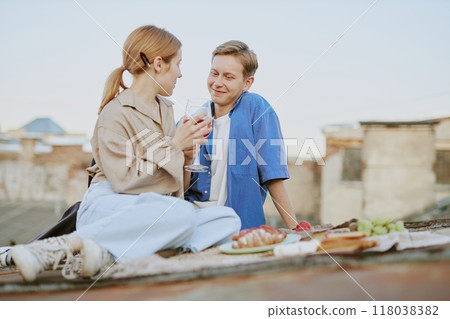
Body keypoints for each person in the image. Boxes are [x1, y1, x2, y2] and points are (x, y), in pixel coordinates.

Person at [8, 25, 241, 282]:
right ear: (159, 64)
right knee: (179, 214)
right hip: (110, 203)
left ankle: (107, 254)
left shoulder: (165, 110)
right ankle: (56, 247)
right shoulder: (114, 114)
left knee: (226, 218)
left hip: (151, 207)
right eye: (178, 64)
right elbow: (125, 182)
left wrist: (185, 159)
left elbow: (173, 188)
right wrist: (174, 147)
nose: (181, 74)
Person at [184, 40, 298, 230]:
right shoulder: (193, 119)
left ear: (247, 83)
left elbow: (272, 175)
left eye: (228, 77)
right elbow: (178, 184)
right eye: (214, 73)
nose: (218, 83)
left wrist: (295, 228)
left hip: (239, 228)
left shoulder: (257, 108)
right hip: (193, 225)